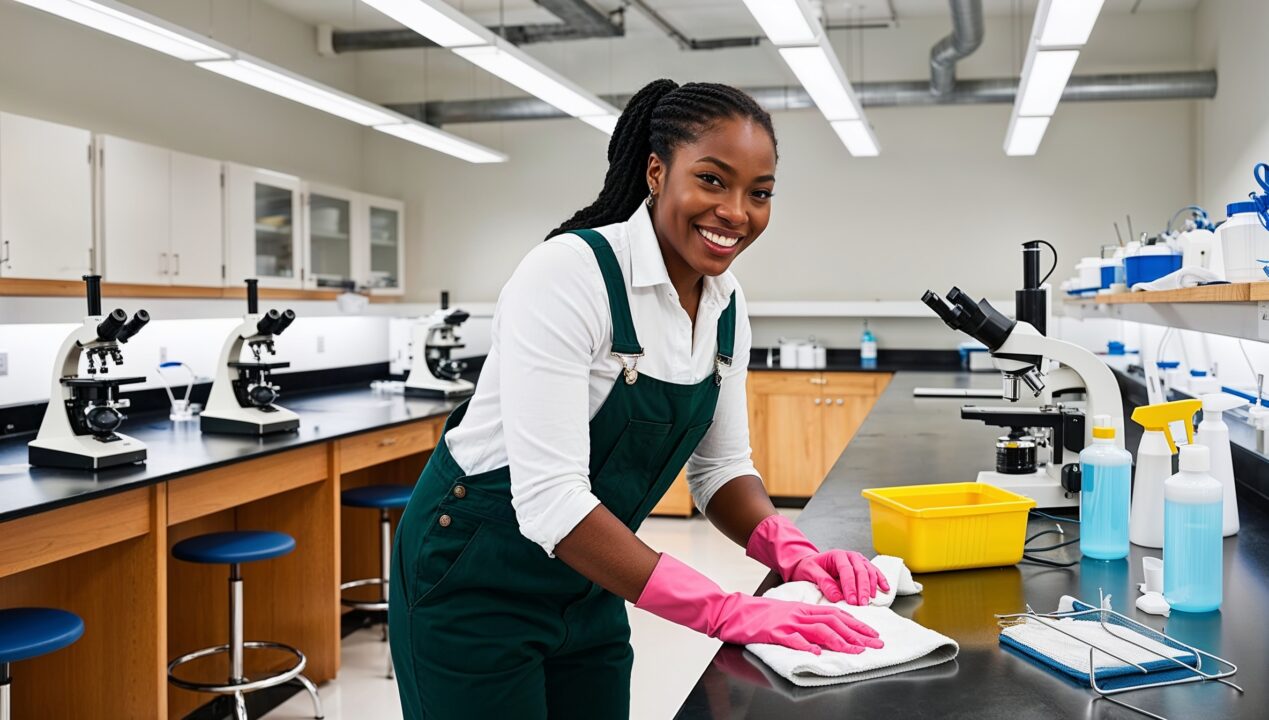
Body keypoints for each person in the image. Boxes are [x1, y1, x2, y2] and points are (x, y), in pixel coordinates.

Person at [388, 78, 889, 720]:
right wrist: (723, 611)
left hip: (594, 578)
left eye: (758, 193)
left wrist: (793, 553)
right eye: (712, 180)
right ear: (657, 172)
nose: (737, 211)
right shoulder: (570, 273)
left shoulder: (726, 304)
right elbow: (551, 501)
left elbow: (721, 471)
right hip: (474, 582)